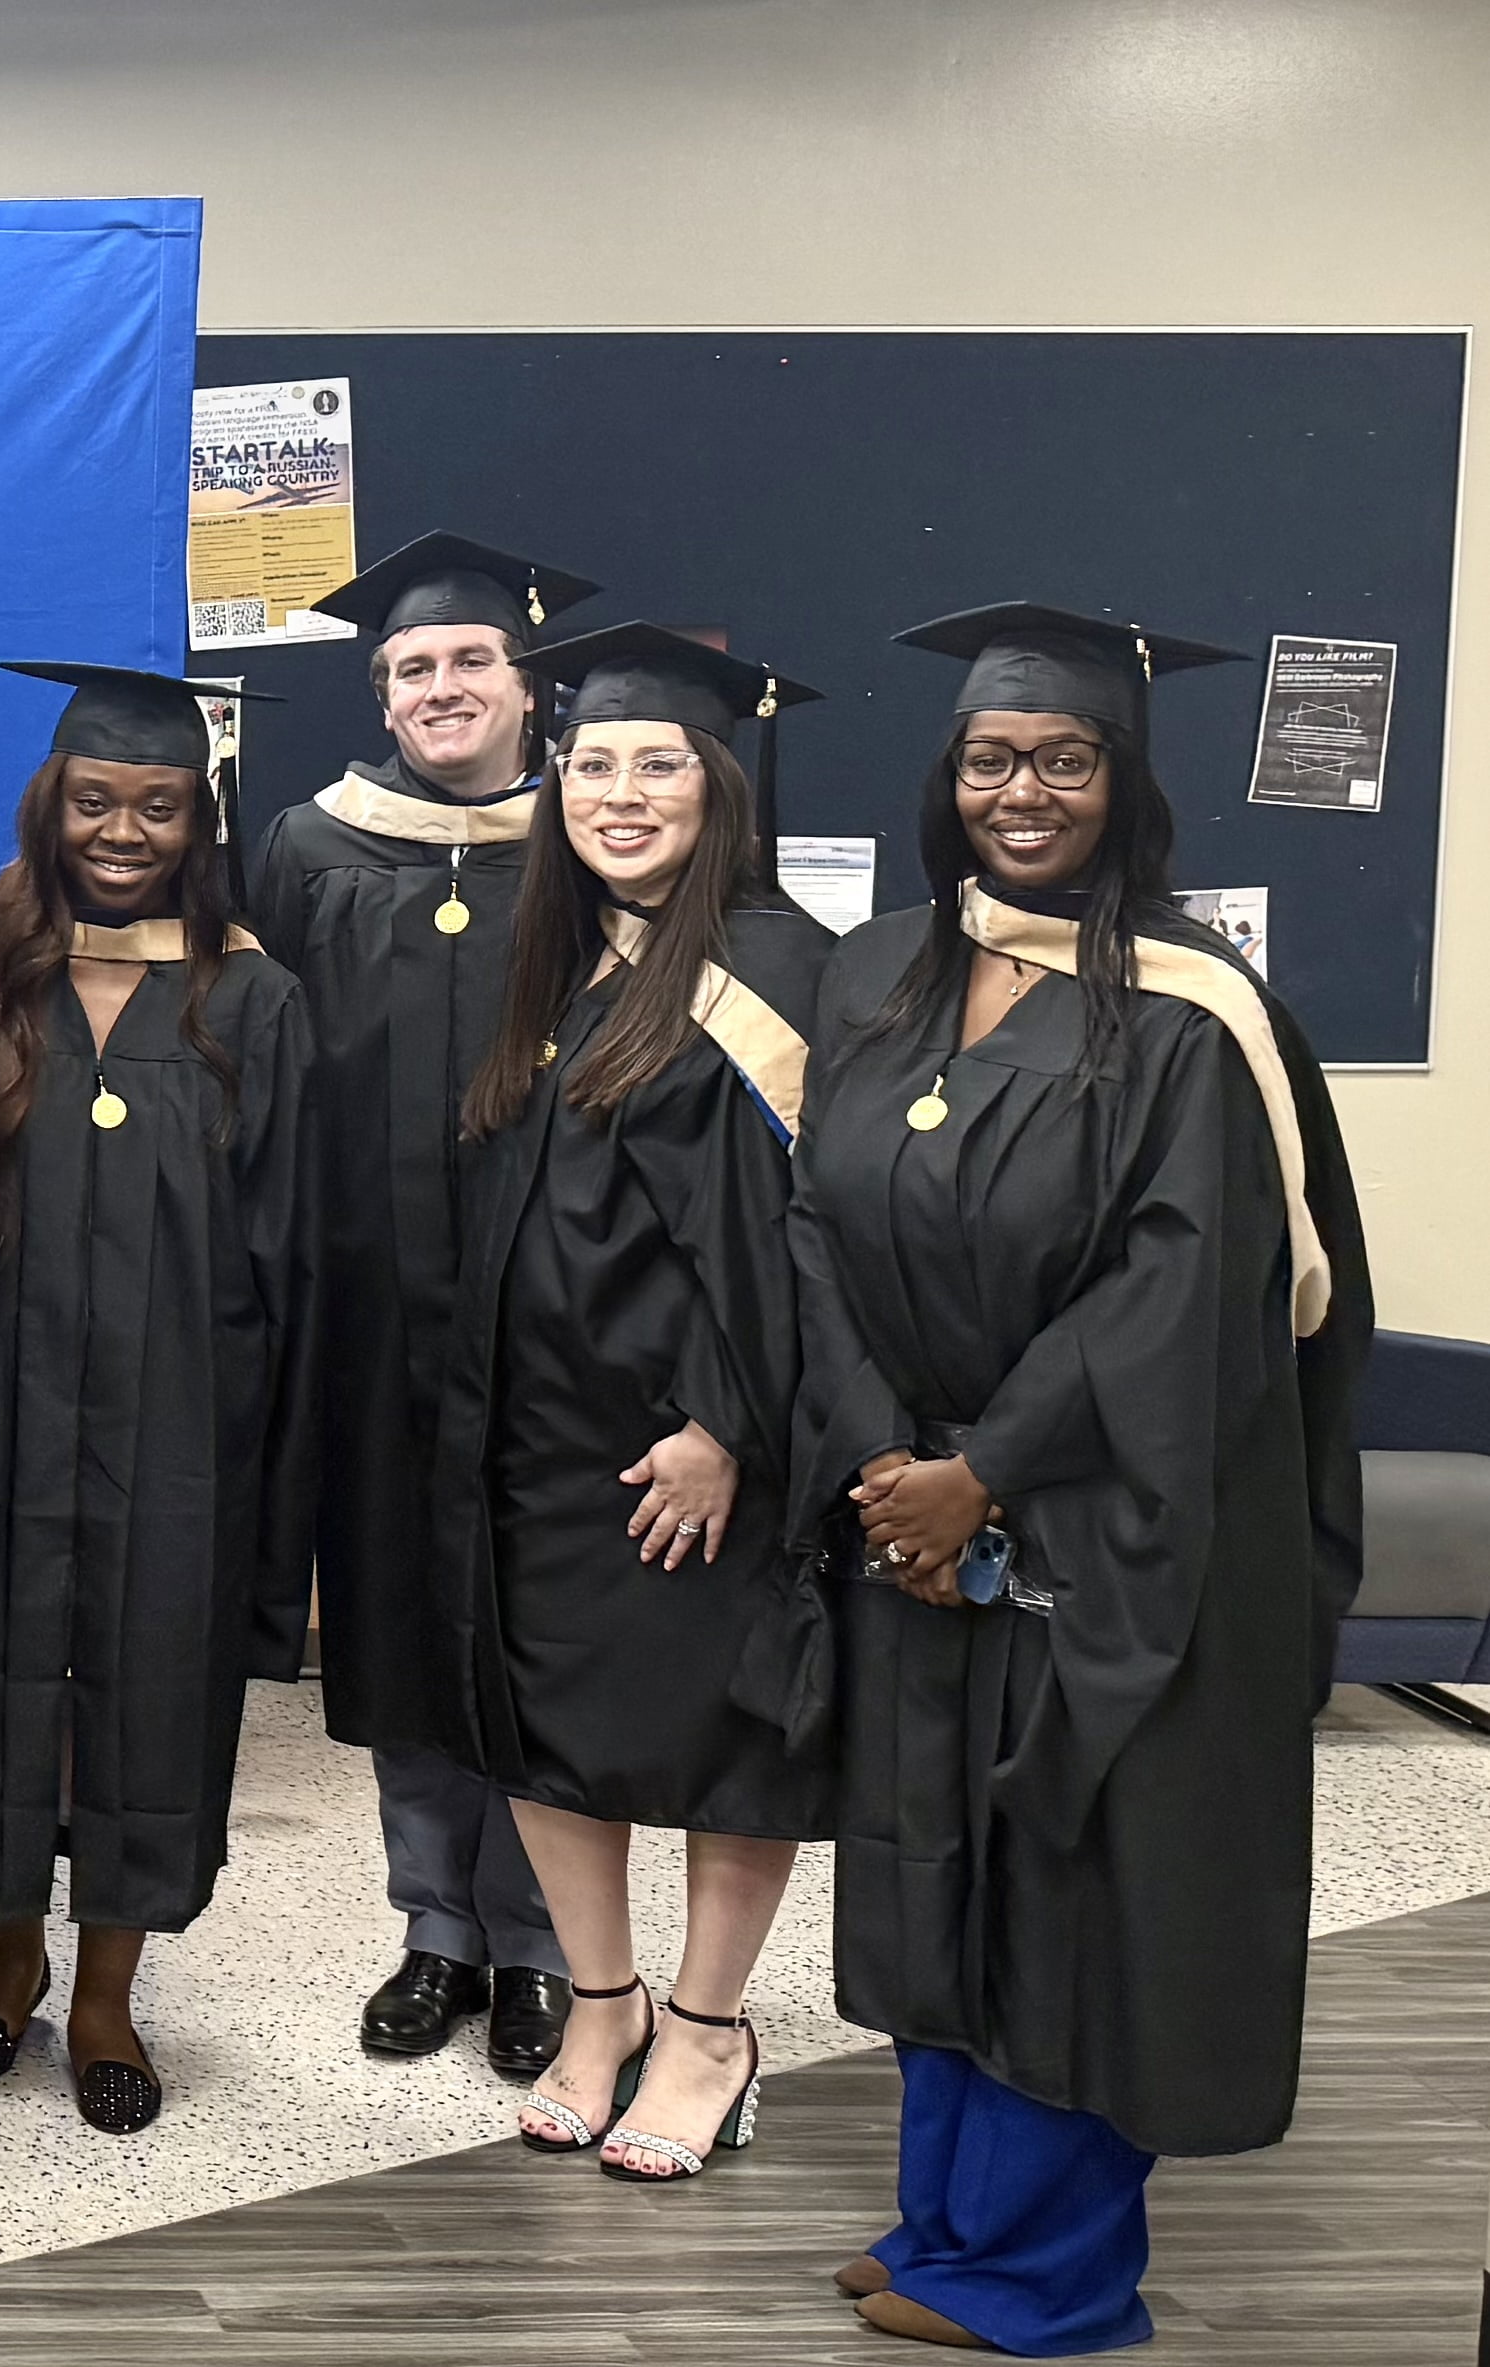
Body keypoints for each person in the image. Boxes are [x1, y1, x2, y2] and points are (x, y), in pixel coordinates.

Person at [794, 605, 1364, 2355]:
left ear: (1124, 780)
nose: (1021, 790)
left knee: (1061, 1877)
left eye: (1064, 759)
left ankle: (1045, 2278)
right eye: (990, 757)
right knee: (928, 1863)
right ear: (944, 772)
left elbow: (1178, 1294)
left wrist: (979, 1472)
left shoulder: (1191, 1009)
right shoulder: (880, 967)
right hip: (915, 1516)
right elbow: (809, 1222)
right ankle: (948, 2226)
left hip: (1096, 1532)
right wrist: (880, 1458)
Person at [426, 624, 841, 2180]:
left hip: (692, 1449)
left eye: (654, 763)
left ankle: (709, 2028)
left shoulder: (782, 972)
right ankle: (598, 2005)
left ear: (717, 783)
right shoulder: (553, 954)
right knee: (550, 1728)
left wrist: (725, 1420)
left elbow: (806, 1233)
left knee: (724, 1739)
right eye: (588, 764)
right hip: (540, 1438)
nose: (615, 792)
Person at [0, 662, 317, 2136]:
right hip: (6, 1421)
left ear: (195, 814)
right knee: (7, 1683)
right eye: (95, 800)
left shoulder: (248, 993)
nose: (121, 829)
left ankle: (105, 1990)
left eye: (156, 804)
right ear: (52, 802)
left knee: (149, 1697)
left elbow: (288, 1239)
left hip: (175, 1425)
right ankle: (6, 1956)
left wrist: (260, 1445)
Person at [249, 530, 601, 2079]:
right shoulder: (310, 847)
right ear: (377, 695)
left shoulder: (602, 838)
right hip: (372, 1305)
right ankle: (431, 1928)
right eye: (408, 667)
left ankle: (539, 1946)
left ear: (526, 685)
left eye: (466, 660)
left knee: (537, 1621)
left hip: (556, 1315)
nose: (437, 687)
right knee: (394, 1610)